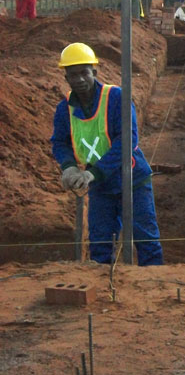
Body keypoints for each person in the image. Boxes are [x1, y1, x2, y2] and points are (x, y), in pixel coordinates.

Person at [51, 43, 164, 266]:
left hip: (132, 181)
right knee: (100, 243)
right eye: (73, 75)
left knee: (145, 239)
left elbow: (127, 141)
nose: (80, 79)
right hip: (101, 188)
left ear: (94, 72)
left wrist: (94, 173)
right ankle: (102, 291)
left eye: (84, 73)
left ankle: (154, 286)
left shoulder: (116, 98)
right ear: (66, 78)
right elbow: (59, 141)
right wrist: (68, 166)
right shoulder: (64, 109)